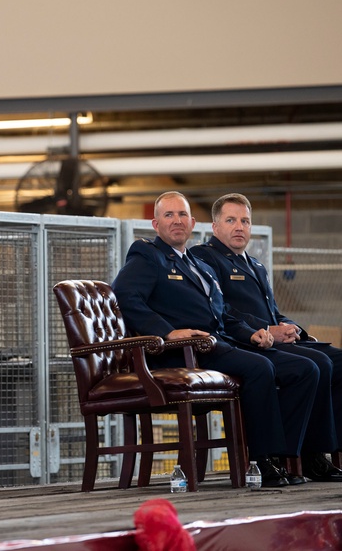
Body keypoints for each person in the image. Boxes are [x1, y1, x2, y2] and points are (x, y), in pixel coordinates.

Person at [112, 191, 319, 487]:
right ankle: (263, 461)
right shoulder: (147, 255)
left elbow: (223, 315)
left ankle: (289, 456)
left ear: (193, 223)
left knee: (303, 369)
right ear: (155, 224)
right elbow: (126, 296)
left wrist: (252, 333)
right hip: (183, 353)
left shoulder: (199, 266)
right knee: (261, 369)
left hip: (218, 344)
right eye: (169, 215)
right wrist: (167, 331)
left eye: (182, 215)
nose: (177, 221)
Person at [191, 193, 342, 482]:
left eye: (245, 221)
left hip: (275, 338)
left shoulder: (257, 266)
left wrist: (290, 327)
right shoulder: (204, 258)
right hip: (246, 342)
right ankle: (303, 455)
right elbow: (222, 311)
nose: (239, 227)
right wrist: (267, 330)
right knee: (317, 366)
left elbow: (274, 312)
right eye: (231, 220)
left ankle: (322, 446)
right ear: (214, 227)